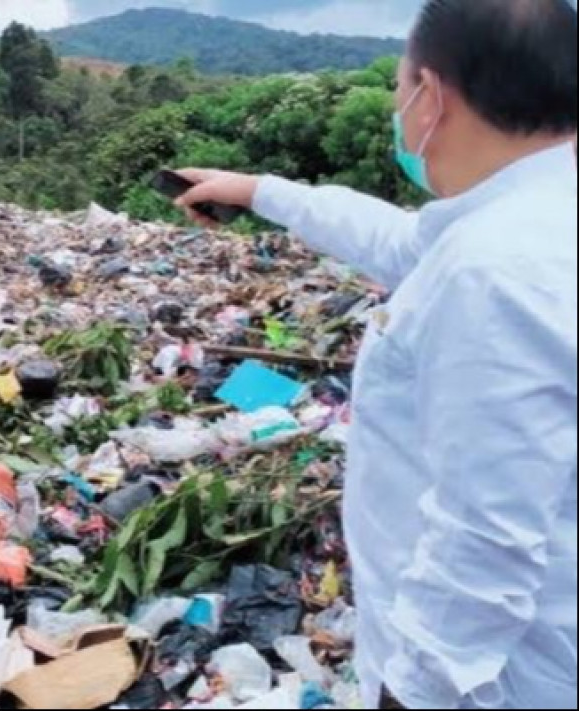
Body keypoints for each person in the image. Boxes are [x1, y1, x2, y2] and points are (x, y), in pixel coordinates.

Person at [174, 0, 577, 708]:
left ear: (431, 96)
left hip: (500, 682)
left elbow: (485, 535)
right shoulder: (523, 220)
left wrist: (413, 693)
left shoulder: (496, 271)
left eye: (398, 90)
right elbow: (402, 242)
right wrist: (261, 191)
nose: (398, 111)